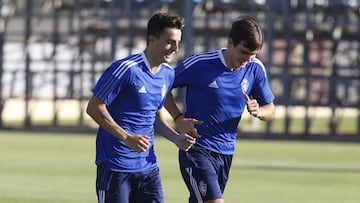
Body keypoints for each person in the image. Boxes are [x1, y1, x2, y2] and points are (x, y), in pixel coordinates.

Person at [86, 13, 196, 203]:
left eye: (178, 42)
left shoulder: (167, 75)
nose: (176, 48)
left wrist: (174, 137)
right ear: (152, 40)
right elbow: (94, 107)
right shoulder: (126, 69)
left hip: (148, 167)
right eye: (170, 42)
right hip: (115, 166)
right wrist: (126, 137)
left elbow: (154, 115)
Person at [164, 16, 276, 203]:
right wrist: (178, 118)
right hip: (196, 148)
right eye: (244, 52)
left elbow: (271, 109)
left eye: (253, 54)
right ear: (230, 42)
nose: (247, 59)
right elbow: (162, 87)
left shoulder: (255, 68)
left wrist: (259, 112)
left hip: (226, 153)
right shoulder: (200, 63)